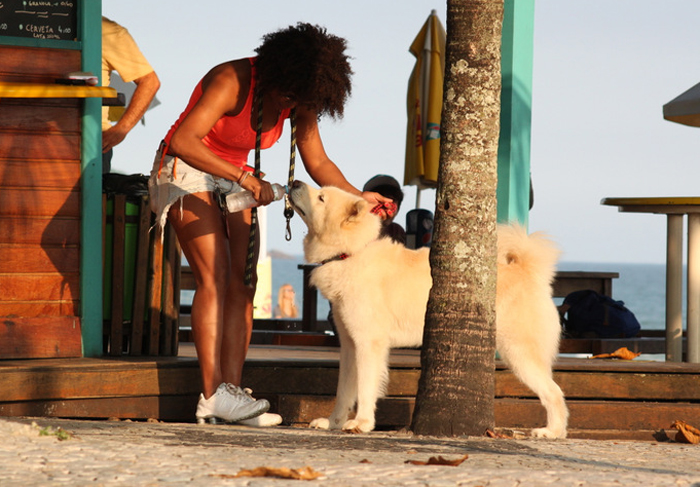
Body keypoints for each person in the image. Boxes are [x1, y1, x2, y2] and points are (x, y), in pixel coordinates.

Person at [148, 23, 389, 427]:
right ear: (278, 72)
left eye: (302, 99)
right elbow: (184, 140)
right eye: (290, 95)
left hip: (234, 176)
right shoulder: (232, 79)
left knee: (244, 282)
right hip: (185, 167)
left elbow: (319, 162)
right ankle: (211, 396)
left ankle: (233, 394)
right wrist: (245, 179)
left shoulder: (300, 95)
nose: (292, 104)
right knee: (216, 273)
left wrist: (358, 197)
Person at [102, 16, 160, 173]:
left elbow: (150, 81)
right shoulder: (31, 23)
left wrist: (121, 129)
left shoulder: (105, 30)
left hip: (93, 140)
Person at [362, 174, 407, 245]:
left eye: (393, 199)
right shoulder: (352, 228)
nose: (387, 204)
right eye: (380, 198)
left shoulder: (396, 231)